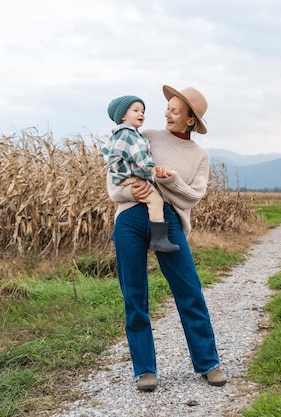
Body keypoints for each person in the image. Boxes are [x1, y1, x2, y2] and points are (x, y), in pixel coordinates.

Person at [105, 85, 226, 391]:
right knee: (135, 295)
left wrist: (167, 178)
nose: (166, 114)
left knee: (190, 292)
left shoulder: (200, 156)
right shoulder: (146, 137)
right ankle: (144, 370)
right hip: (130, 217)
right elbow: (113, 184)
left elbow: (192, 197)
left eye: (175, 110)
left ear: (190, 120)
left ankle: (208, 363)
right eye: (167, 108)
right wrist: (134, 191)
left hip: (169, 220)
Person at [102, 95, 179, 252]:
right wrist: (151, 168)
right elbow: (139, 155)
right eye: (136, 110)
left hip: (123, 176)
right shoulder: (130, 134)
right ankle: (159, 239)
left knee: (130, 205)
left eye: (143, 111)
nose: (141, 114)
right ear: (123, 116)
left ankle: (116, 232)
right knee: (156, 201)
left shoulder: (120, 133)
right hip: (131, 176)